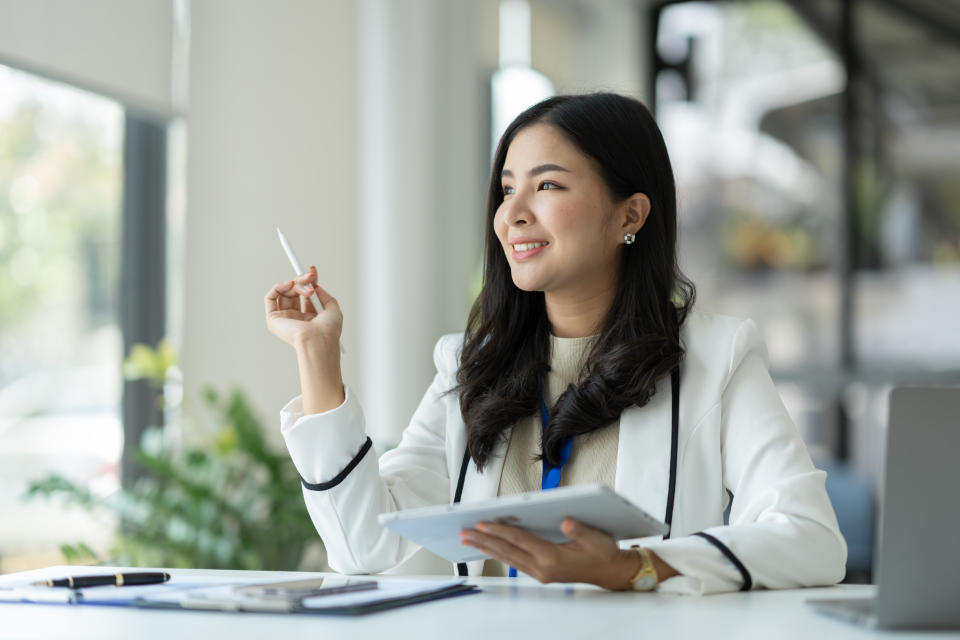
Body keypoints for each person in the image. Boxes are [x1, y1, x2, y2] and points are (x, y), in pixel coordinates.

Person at [264, 93, 847, 595]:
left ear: (631, 214)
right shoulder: (469, 364)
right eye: (507, 188)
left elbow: (812, 539)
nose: (511, 214)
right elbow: (363, 547)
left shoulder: (717, 359)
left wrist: (633, 567)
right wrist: (318, 360)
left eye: (547, 185)